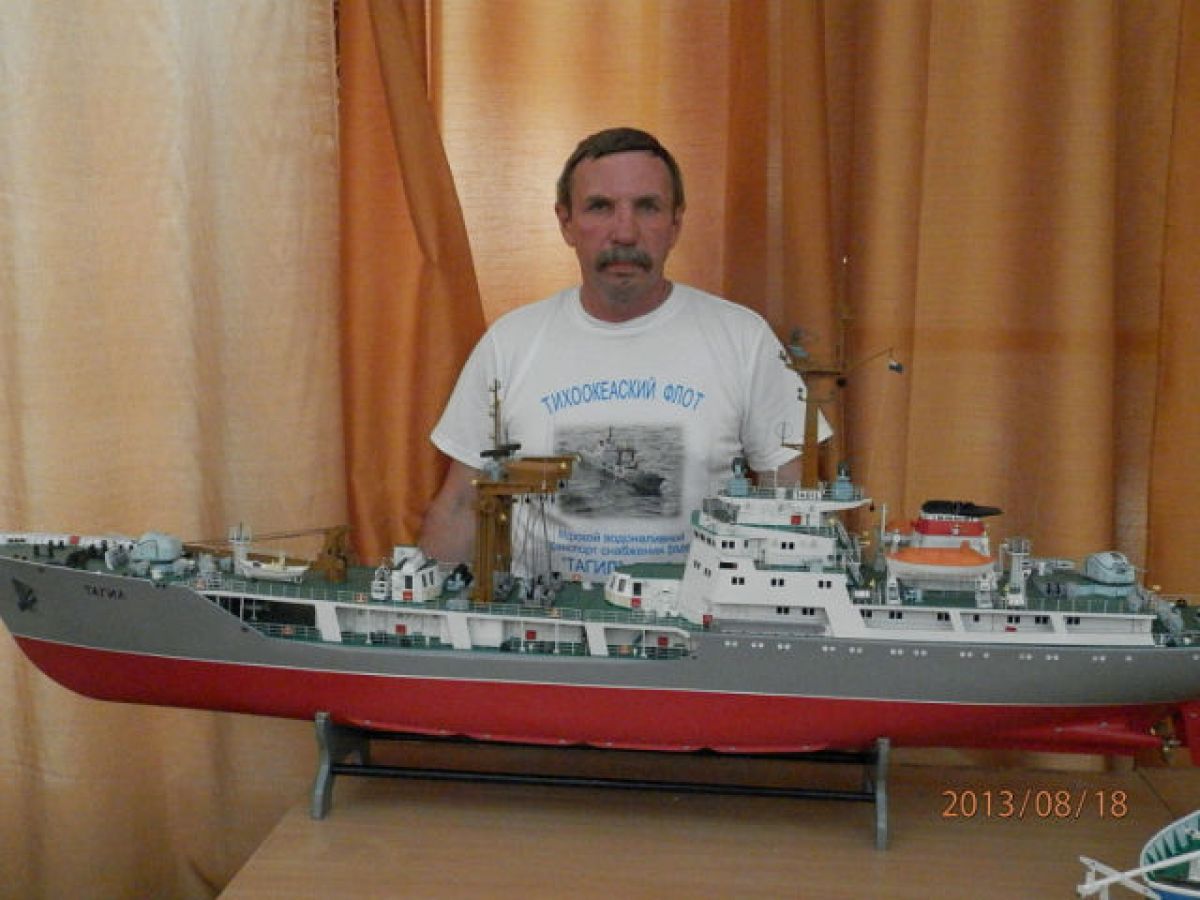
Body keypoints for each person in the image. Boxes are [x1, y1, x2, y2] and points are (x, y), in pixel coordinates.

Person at [421, 127, 825, 579]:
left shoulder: (744, 340)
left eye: (647, 207)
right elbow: (460, 506)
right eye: (600, 207)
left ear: (676, 223)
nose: (625, 232)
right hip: (547, 616)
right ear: (566, 222)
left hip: (692, 616)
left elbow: (792, 501)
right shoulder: (509, 343)